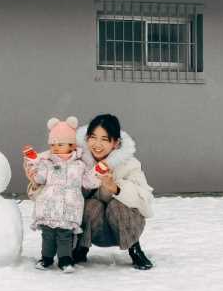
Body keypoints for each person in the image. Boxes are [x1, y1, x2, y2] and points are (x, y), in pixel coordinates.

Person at [28, 114, 154, 270]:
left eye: (105, 139)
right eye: (93, 137)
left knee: (117, 205)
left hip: (125, 226)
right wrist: (35, 181)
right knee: (90, 205)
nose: (97, 144)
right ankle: (81, 248)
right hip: (95, 228)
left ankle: (135, 249)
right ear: (87, 139)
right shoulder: (77, 161)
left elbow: (145, 200)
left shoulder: (129, 164)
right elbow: (55, 188)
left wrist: (115, 187)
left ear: (116, 143)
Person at [25, 116, 102, 273]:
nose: (55, 147)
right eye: (52, 144)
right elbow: (40, 178)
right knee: (48, 236)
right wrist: (33, 170)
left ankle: (65, 260)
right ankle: (46, 259)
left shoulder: (79, 165)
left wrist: (98, 172)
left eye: (60, 144)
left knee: (64, 235)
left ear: (72, 145)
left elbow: (88, 182)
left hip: (69, 208)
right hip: (48, 207)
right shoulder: (47, 163)